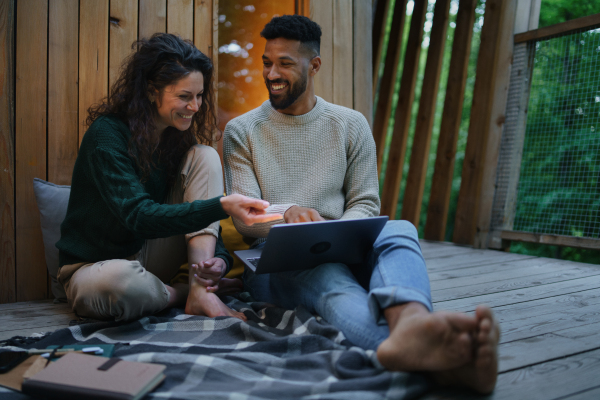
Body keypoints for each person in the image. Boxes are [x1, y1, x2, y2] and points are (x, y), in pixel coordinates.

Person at [222, 15, 500, 394]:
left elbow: (366, 203)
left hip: (344, 244)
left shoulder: (350, 125)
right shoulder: (242, 130)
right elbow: (247, 221)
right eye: (267, 62)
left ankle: (412, 324)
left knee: (400, 228)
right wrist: (287, 212)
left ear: (314, 65)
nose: (272, 73)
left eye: (285, 63)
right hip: (274, 261)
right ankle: (440, 363)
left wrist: (336, 233)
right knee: (329, 278)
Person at [56, 33, 281, 323]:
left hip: (150, 259)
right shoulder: (106, 135)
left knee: (205, 154)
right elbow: (139, 216)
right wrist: (222, 205)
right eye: (184, 97)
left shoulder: (177, 142)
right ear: (152, 91)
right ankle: (186, 293)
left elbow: (200, 220)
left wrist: (219, 263)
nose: (196, 106)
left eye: (199, 96)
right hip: (94, 268)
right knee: (118, 282)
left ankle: (202, 289)